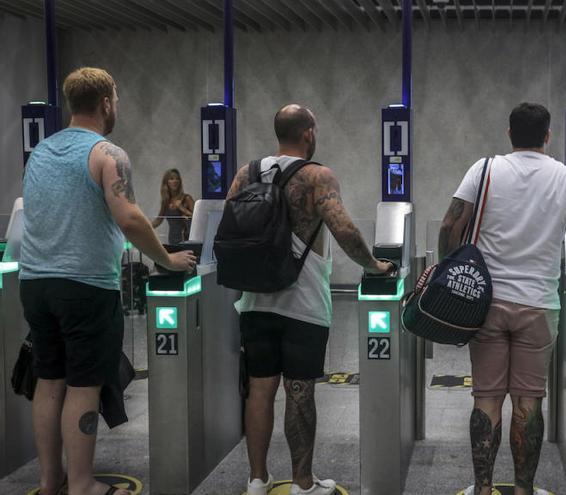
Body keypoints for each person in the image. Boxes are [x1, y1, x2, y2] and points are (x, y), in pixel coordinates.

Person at [19, 67, 195, 495]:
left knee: (49, 380)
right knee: (83, 385)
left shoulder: (41, 151)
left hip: (35, 283)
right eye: (115, 100)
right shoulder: (106, 153)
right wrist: (168, 260)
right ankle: (82, 484)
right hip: (84, 286)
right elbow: (130, 218)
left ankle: (49, 480)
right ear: (105, 104)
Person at [439, 103, 566, 495]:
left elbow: (451, 223)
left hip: (486, 303)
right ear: (548, 136)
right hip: (538, 304)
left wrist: (448, 273)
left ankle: (482, 489)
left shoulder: (484, 169)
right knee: (529, 400)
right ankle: (523, 489)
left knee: (486, 396)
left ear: (509, 133)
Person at [230, 104, 393, 495]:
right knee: (299, 390)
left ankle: (257, 479)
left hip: (254, 301)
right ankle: (303, 483)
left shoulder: (246, 173)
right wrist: (373, 266)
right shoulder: (318, 176)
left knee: (259, 388)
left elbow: (229, 229)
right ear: (308, 133)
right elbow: (344, 229)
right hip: (302, 304)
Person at [151, 168, 195, 245]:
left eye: (177, 179)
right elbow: (158, 220)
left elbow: (198, 219)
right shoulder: (166, 201)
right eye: (171, 179)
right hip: (172, 239)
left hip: (186, 239)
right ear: (166, 182)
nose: (175, 181)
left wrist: (182, 208)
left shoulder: (187, 198)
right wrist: (144, 227)